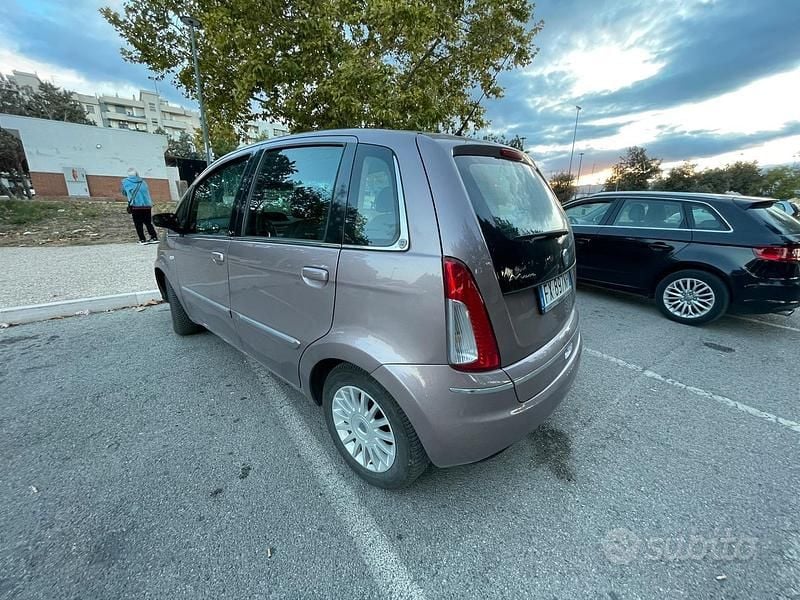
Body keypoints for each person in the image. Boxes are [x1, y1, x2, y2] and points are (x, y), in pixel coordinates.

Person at [121, 168, 159, 244]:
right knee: (148, 222)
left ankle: (142, 239)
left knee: (138, 223)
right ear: (137, 174)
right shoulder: (143, 182)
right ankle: (154, 237)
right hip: (147, 205)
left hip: (136, 206)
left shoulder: (125, 182)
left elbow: (124, 192)